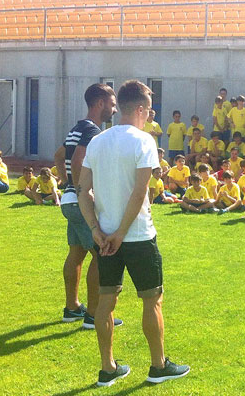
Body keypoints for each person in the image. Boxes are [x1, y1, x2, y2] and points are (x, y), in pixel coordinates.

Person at [78, 80, 189, 386]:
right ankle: (158, 366)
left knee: (105, 302)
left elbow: (81, 190)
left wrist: (97, 231)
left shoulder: (98, 141)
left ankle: (108, 368)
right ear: (140, 109)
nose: (150, 115)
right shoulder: (143, 141)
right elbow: (140, 192)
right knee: (152, 299)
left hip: (106, 236)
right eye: (149, 110)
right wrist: (121, 232)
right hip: (138, 235)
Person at [53, 83, 122, 330]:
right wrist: (84, 190)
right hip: (80, 202)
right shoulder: (92, 132)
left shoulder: (77, 128)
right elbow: (78, 158)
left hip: (69, 200)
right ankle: (94, 315)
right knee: (101, 256)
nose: (114, 110)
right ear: (100, 103)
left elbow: (59, 155)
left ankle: (72, 308)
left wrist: (67, 183)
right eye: (112, 105)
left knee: (77, 252)